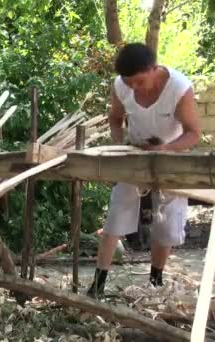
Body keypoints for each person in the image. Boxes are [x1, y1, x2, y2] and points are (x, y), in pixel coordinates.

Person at [86, 43, 201, 298]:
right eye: (129, 83)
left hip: (170, 156)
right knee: (116, 213)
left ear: (153, 69)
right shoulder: (121, 85)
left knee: (168, 224)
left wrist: (166, 149)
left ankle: (155, 282)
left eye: (139, 82)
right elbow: (115, 118)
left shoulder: (179, 88)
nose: (134, 88)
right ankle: (97, 285)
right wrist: (121, 143)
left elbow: (193, 134)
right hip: (135, 157)